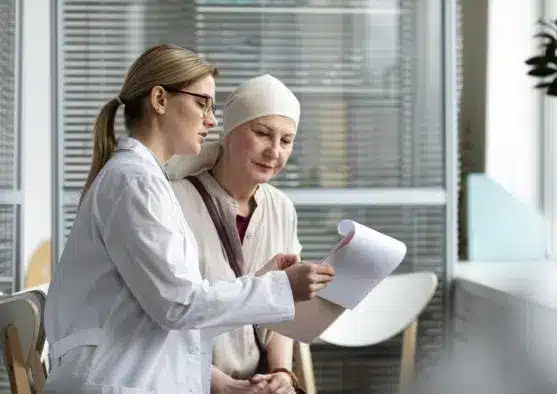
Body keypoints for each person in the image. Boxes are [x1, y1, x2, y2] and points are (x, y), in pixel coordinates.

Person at [43, 44, 335, 394]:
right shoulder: (135, 183)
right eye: (202, 103)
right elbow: (179, 306)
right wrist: (280, 287)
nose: (211, 120)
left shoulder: (141, 180)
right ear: (160, 100)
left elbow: (180, 305)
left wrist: (264, 282)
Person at [166, 75, 306, 394]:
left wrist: (282, 373)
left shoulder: (281, 208)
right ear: (228, 134)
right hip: (186, 381)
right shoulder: (173, 202)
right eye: (262, 134)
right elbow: (164, 316)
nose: (274, 152)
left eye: (286, 141)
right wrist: (221, 385)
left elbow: (282, 306)